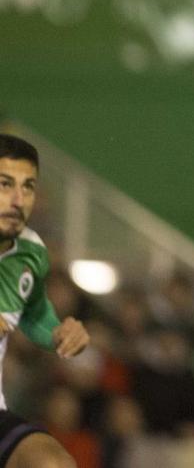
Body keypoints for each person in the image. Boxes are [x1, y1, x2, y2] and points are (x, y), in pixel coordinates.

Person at [0, 135, 91, 468]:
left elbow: (35, 313)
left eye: (28, 187)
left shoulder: (30, 250)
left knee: (53, 464)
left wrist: (59, 333)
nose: (17, 199)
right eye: (5, 184)